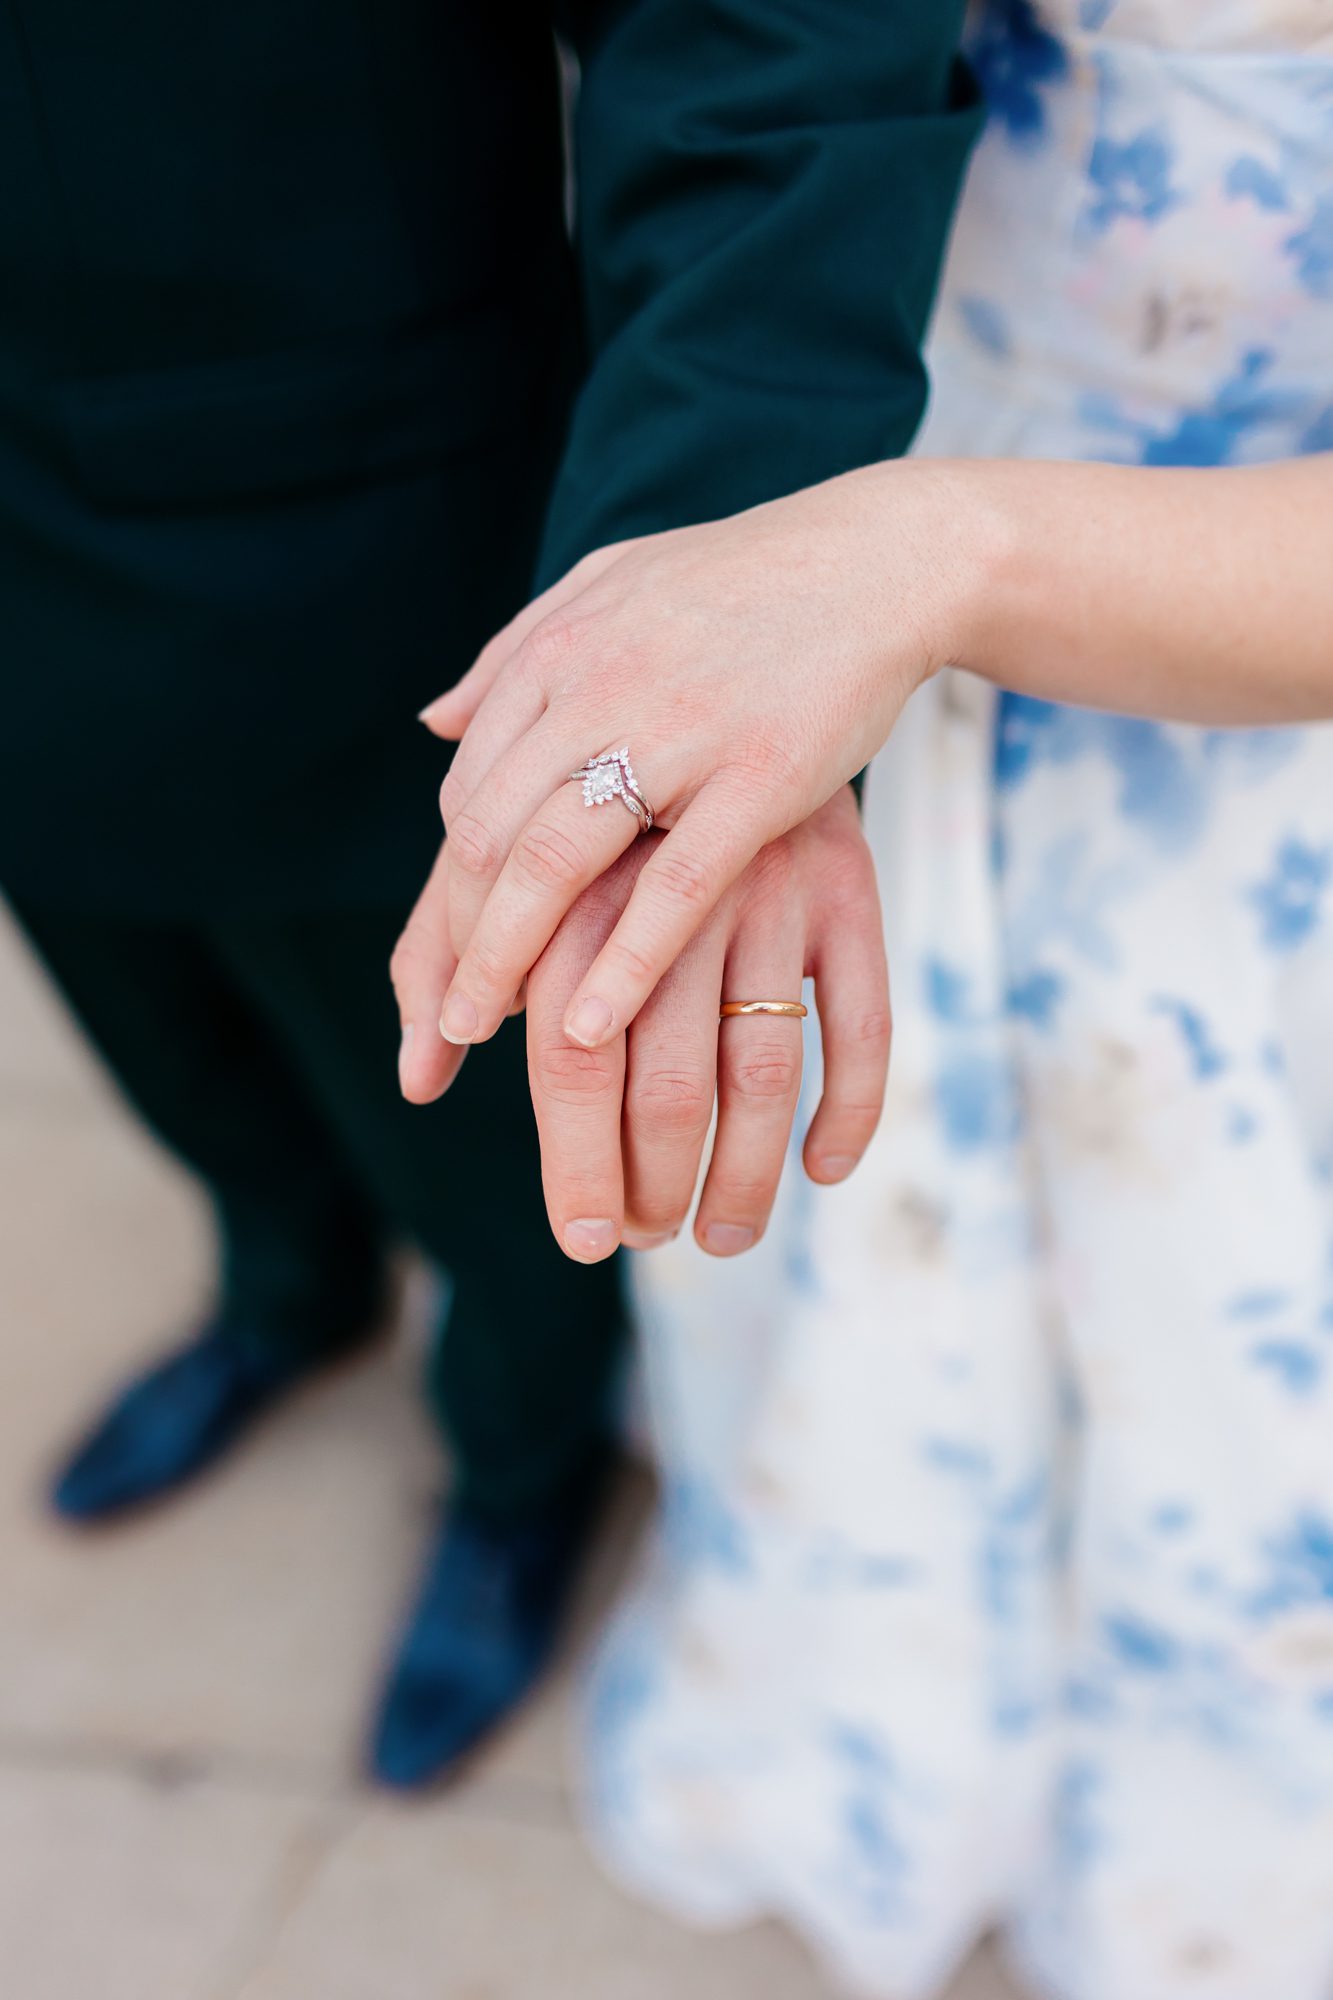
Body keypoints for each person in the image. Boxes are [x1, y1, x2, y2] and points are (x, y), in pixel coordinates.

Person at [404, 0, 1333, 1991]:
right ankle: (904, 1761)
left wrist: (921, 557)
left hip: (1244, 750)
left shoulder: (920, 559)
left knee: (1231, 1352)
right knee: (858, 1281)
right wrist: (720, 602)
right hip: (835, 622)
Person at [0, 3, 979, 1789]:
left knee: (481, 1107)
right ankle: (287, 1292)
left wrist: (716, 618)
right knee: (151, 1017)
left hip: (336, 525)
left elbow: (757, 50)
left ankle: (521, 1470)